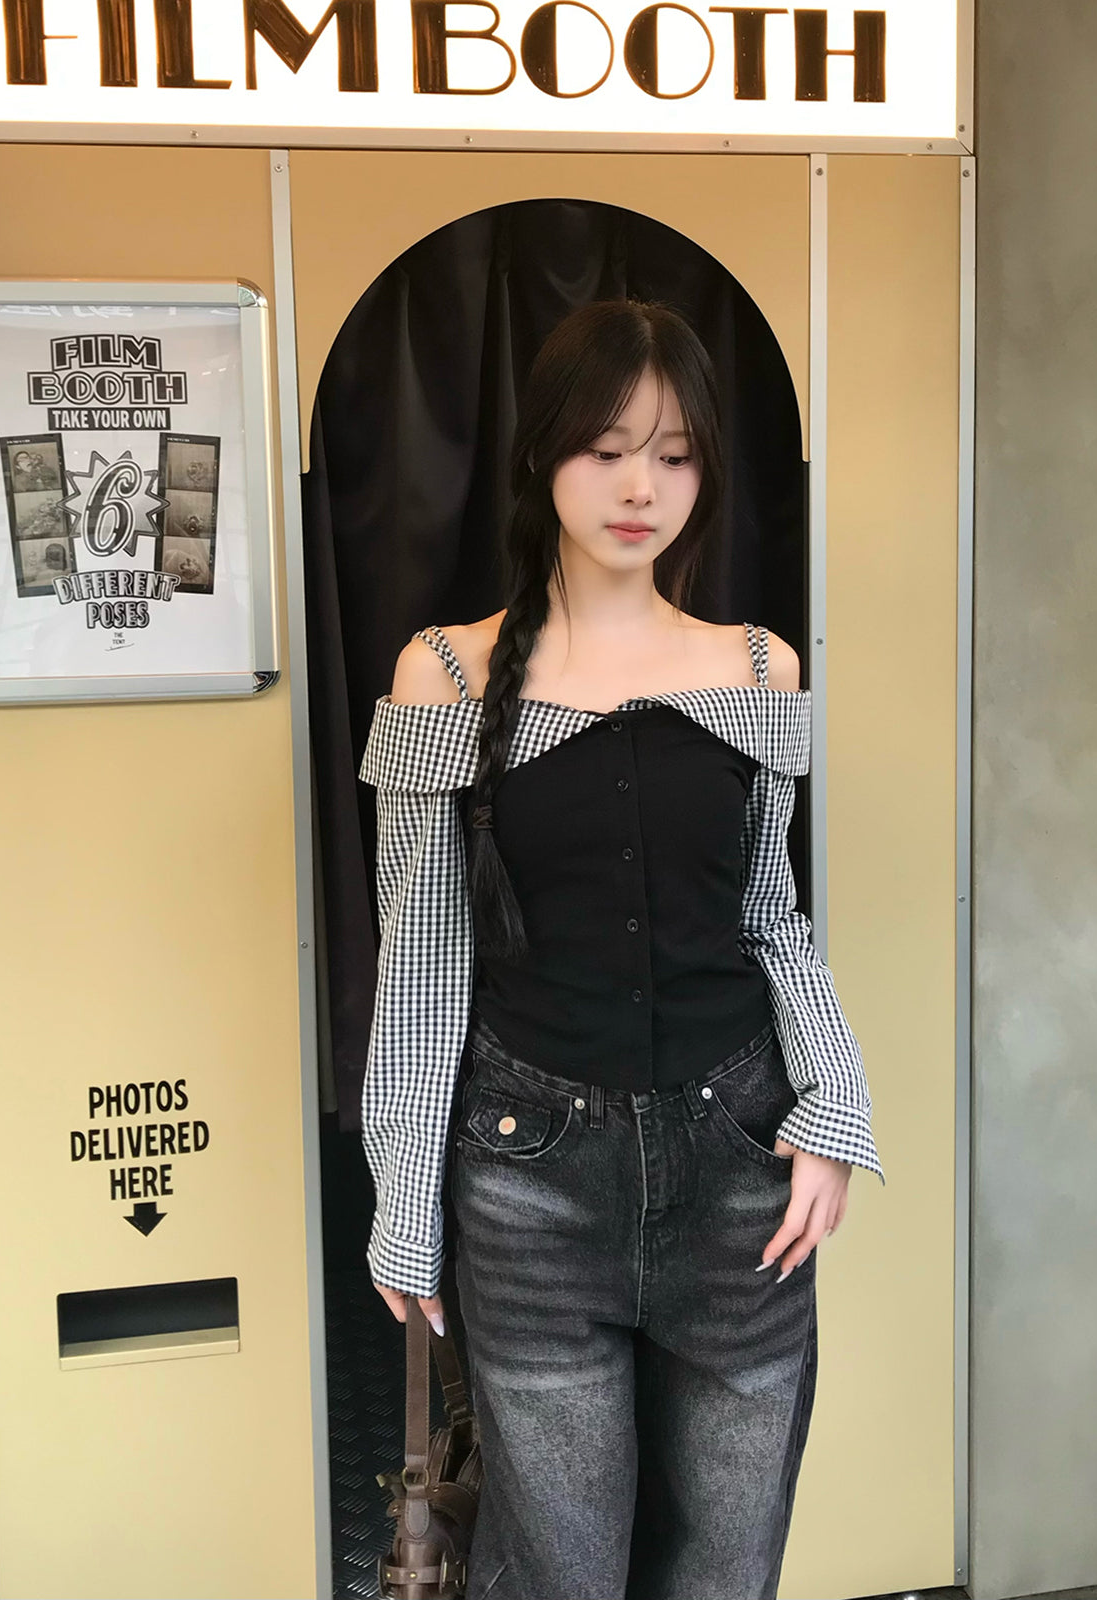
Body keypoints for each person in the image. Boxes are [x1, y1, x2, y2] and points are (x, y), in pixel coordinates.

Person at [357, 298, 884, 1600]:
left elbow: (772, 917)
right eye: (606, 449)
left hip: (742, 1168)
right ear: (543, 454)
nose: (642, 488)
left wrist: (833, 1113)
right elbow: (421, 959)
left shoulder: (758, 666)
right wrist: (402, 1196)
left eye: (676, 454)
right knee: (562, 1575)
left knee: (728, 1568)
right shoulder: (444, 673)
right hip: (531, 1181)